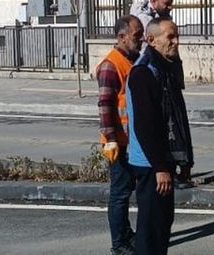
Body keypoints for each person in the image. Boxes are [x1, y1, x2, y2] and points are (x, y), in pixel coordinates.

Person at [126, 17, 194, 255]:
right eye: (170, 37)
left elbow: (178, 116)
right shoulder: (144, 71)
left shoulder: (167, 68)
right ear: (152, 40)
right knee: (150, 229)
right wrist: (160, 168)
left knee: (162, 225)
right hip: (150, 164)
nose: (176, 42)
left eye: (177, 36)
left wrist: (186, 159)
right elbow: (145, 127)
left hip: (164, 160)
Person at [96, 14, 144, 255]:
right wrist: (111, 139)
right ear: (121, 37)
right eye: (136, 36)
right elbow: (105, 104)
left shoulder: (132, 61)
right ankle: (119, 243)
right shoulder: (110, 65)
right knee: (120, 193)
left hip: (130, 140)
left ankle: (127, 235)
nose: (141, 40)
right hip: (119, 143)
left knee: (126, 192)